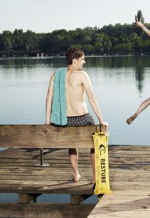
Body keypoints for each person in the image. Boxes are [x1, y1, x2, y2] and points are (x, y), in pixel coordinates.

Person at [45, 47, 108, 183]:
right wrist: (101, 120)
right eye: (82, 60)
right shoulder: (82, 75)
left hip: (65, 120)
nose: (84, 62)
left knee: (72, 145)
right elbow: (92, 99)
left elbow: (49, 97)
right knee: (95, 143)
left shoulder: (56, 75)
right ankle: (95, 176)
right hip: (82, 119)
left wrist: (48, 120)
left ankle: (76, 174)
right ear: (74, 60)